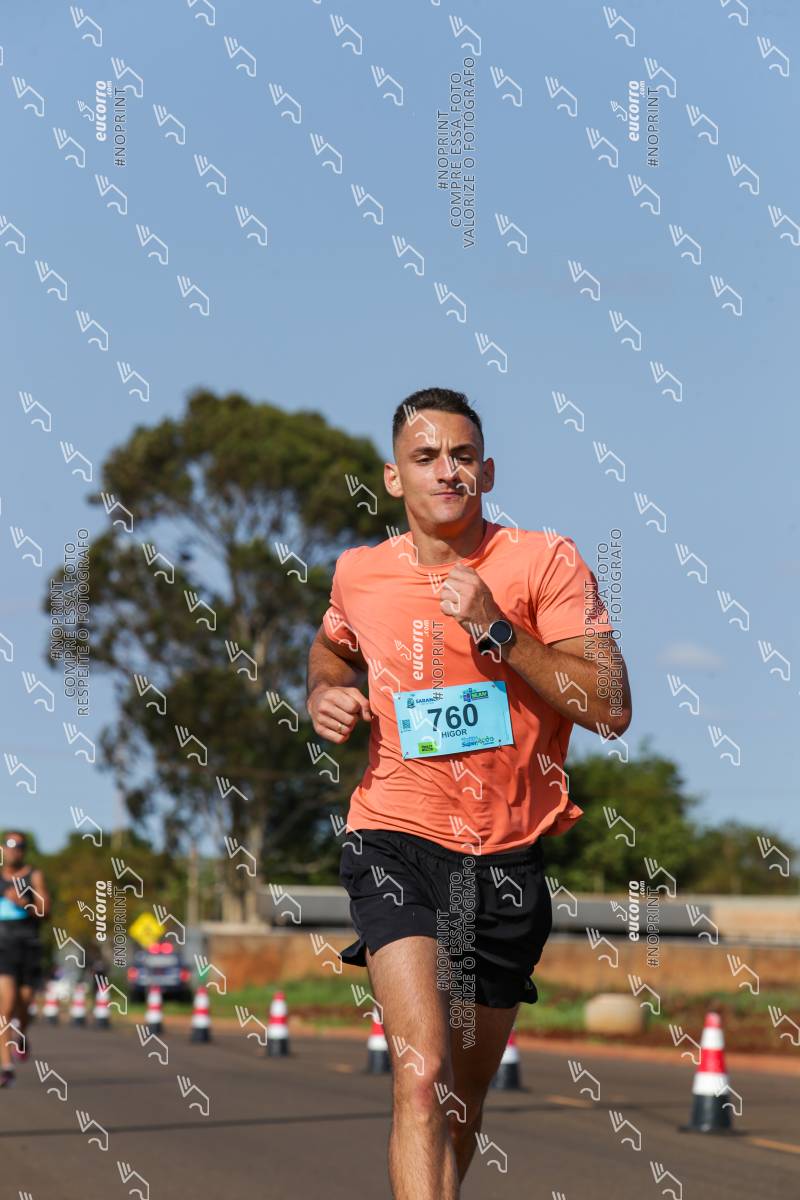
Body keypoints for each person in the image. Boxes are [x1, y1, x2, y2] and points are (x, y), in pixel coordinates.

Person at [306, 388, 632, 1199]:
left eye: (461, 456)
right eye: (426, 457)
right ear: (394, 478)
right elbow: (332, 645)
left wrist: (498, 628)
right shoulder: (360, 573)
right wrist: (325, 691)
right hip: (394, 840)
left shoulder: (544, 561)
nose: (446, 471)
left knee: (459, 1101)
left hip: (505, 859)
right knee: (421, 1075)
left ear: (487, 471)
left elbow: (611, 707)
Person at [0, 830, 51, 1086]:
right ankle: (6, 1066)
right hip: (3, 949)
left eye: (19, 846)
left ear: (24, 850)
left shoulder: (34, 876)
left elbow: (46, 911)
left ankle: (21, 1034)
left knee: (25, 1002)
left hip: (29, 947)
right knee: (6, 1007)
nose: (14, 850)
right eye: (9, 845)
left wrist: (25, 904)